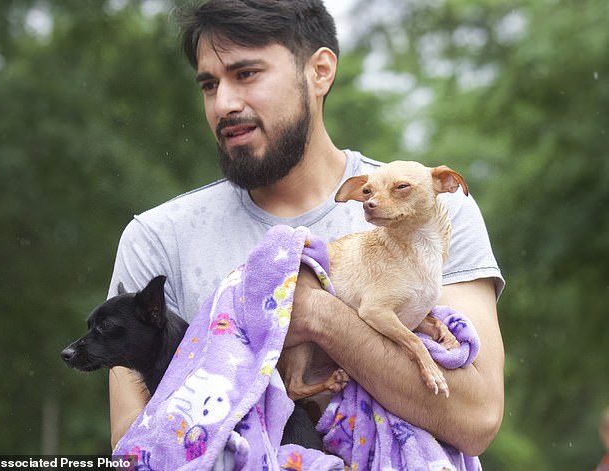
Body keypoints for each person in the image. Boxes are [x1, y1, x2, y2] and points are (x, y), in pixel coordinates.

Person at [107, 0, 505, 458]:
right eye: (209, 84)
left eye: (247, 74)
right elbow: (134, 449)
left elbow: (477, 421)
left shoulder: (432, 209)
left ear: (320, 72)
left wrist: (320, 316)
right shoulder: (156, 240)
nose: (224, 103)